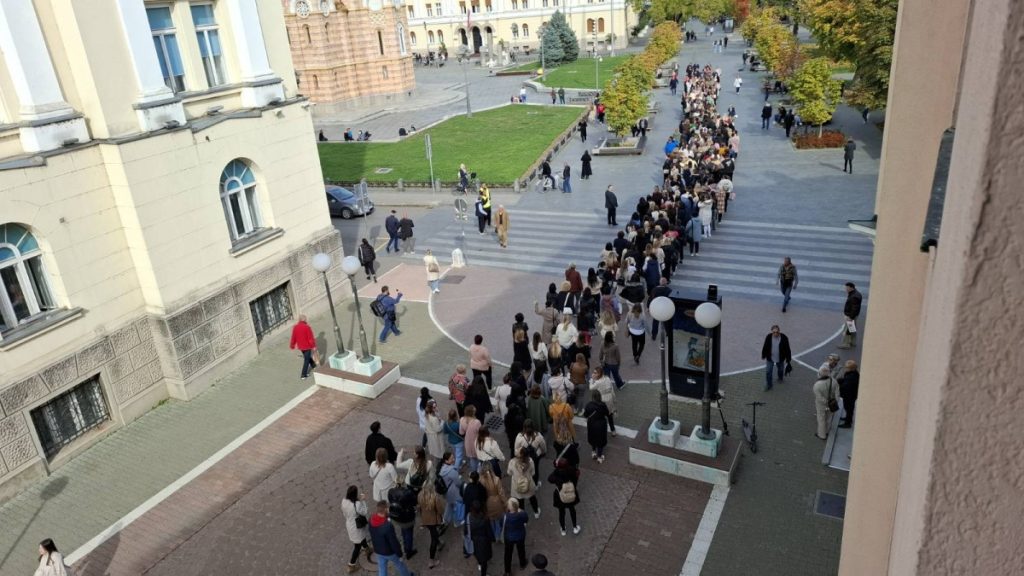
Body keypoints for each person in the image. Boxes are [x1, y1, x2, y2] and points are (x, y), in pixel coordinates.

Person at [368, 500, 415, 576]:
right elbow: (394, 542)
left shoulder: (371, 519)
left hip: (377, 550)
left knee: (382, 569)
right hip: (389, 552)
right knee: (400, 565)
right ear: (386, 509)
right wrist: (399, 554)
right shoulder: (388, 526)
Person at [342, 486, 373, 573]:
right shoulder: (357, 504)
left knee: (361, 538)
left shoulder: (344, 501)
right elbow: (364, 511)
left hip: (349, 524)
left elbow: (344, 513)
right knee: (357, 546)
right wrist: (363, 501)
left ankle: (366, 548)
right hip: (356, 526)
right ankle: (351, 564)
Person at [418, 479, 447, 569]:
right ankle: (431, 560)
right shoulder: (434, 497)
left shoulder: (420, 495)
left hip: (425, 519)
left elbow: (419, 507)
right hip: (433, 520)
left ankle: (439, 543)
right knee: (433, 538)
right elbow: (441, 510)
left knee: (433, 532)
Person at [387, 475, 419, 558]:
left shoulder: (391, 491)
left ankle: (405, 543)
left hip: (396, 516)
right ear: (403, 482)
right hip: (407, 517)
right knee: (409, 533)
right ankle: (408, 551)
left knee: (404, 530)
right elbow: (415, 502)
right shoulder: (408, 492)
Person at [548, 458, 580, 536]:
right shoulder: (571, 470)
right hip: (570, 492)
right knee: (572, 510)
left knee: (561, 512)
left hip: (559, 495)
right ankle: (575, 527)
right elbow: (577, 474)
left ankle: (563, 529)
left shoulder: (557, 472)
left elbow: (550, 479)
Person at [515, 419, 547, 488]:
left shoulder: (519, 437)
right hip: (535, 457)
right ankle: (535, 485)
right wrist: (542, 452)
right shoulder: (539, 436)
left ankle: (525, 484)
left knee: (524, 471)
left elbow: (516, 450)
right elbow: (543, 447)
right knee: (535, 470)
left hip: (523, 458)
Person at [501, 498, 531, 574]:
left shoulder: (505, 516)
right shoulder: (522, 514)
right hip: (520, 535)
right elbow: (526, 519)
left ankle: (507, 571)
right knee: (521, 550)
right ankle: (522, 564)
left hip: (509, 537)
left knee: (507, 554)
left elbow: (501, 524)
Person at [467, 500, 495, 575]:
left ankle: (479, 563)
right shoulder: (485, 519)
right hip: (484, 541)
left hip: (474, 540)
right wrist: (492, 539)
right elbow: (489, 531)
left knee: (478, 554)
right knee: (484, 560)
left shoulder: (469, 517)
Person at [761, 325, 792, 391]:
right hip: (770, 358)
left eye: (777, 332)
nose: (775, 334)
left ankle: (780, 378)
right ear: (772, 332)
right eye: (774, 332)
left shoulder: (784, 338)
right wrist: (763, 355)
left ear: (779, 331)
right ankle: (769, 385)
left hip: (780, 358)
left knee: (780, 369)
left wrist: (788, 359)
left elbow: (787, 349)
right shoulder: (768, 337)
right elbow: (765, 346)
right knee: (768, 371)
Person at [588, 365, 617, 435]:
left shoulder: (598, 382)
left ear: (599, 374)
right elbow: (612, 389)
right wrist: (614, 399)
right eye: (594, 372)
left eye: (595, 372)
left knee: (601, 416)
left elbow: (591, 388)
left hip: (602, 401)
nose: (594, 374)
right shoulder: (607, 378)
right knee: (610, 416)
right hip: (609, 399)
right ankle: (613, 430)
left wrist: (591, 380)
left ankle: (602, 430)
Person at [439, 449, 465, 525]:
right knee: (460, 502)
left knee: (449, 504)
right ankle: (457, 521)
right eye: (451, 459)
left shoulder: (442, 468)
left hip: (446, 491)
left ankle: (445, 519)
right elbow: (458, 483)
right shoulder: (451, 470)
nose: (453, 459)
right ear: (446, 461)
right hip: (453, 492)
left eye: (453, 457)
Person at [813, 366, 839, 440]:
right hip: (832, 404)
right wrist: (835, 401)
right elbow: (837, 394)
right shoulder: (834, 381)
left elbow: (819, 397)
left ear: (820, 374)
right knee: (828, 418)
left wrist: (826, 402)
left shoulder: (817, 385)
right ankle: (827, 431)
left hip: (821, 405)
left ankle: (822, 435)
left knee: (821, 419)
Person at [288, 315, 317, 379]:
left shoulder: (295, 327)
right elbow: (310, 338)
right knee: (306, 360)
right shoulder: (307, 327)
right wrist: (313, 346)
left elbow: (293, 337)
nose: (307, 320)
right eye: (306, 319)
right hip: (307, 346)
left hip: (301, 347)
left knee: (307, 357)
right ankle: (303, 375)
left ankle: (313, 365)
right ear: (304, 320)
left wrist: (292, 345)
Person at [461, 404, 484, 471]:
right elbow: (481, 433)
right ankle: (479, 472)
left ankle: (474, 473)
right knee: (480, 459)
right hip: (476, 443)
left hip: (468, 442)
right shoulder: (477, 422)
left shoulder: (462, 419)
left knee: (472, 459)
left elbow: (461, 432)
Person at [840, 282, 863, 349]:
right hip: (853, 315)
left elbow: (855, 308)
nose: (845, 289)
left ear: (851, 287)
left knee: (847, 330)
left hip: (850, 316)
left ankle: (846, 344)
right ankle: (853, 342)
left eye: (847, 288)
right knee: (852, 329)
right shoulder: (855, 294)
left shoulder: (854, 296)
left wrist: (851, 317)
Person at [839, 360, 860, 428]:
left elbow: (845, 386)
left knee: (849, 408)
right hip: (851, 395)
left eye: (847, 367)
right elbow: (845, 380)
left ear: (851, 368)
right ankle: (848, 419)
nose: (845, 368)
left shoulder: (852, 377)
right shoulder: (853, 373)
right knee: (848, 409)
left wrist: (838, 386)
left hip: (849, 396)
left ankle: (848, 423)